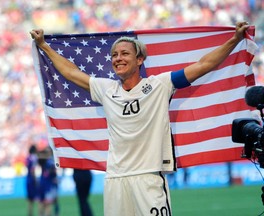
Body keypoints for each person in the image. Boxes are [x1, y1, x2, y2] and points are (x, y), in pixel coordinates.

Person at [30, 21, 250, 216]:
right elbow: (71, 73)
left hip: (149, 177)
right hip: (115, 178)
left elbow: (203, 66)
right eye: (114, 55)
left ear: (140, 59)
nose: (118, 59)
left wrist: (234, 39)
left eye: (125, 53)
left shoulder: (160, 85)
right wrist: (44, 46)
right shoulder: (106, 89)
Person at [38, 147, 59, 216]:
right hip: (48, 185)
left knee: (42, 203)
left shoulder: (42, 161)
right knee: (48, 203)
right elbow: (54, 173)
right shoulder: (51, 162)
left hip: (42, 183)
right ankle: (56, 213)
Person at [25, 144, 39, 216]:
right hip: (32, 179)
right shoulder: (34, 158)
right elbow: (32, 170)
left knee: (30, 200)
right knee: (39, 199)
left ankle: (30, 214)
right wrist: (35, 180)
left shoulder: (27, 158)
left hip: (27, 179)